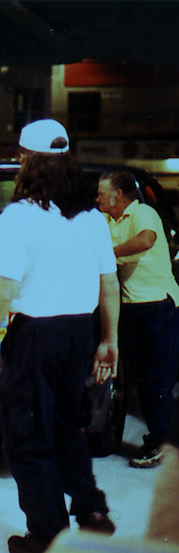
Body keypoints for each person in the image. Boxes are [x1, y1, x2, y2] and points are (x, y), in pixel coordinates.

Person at [0, 119, 120, 553]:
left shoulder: (20, 215)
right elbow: (109, 283)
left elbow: (4, 287)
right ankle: (92, 512)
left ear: (27, 160)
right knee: (64, 426)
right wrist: (109, 338)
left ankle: (47, 535)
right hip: (80, 331)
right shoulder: (92, 217)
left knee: (26, 434)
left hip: (37, 335)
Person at [97, 171, 179, 468]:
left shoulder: (144, 213)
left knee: (157, 377)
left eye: (101, 193)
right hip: (130, 307)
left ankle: (157, 441)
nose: (97, 198)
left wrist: (108, 253)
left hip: (158, 305)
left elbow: (146, 241)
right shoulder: (105, 221)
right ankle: (156, 436)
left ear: (117, 195)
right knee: (141, 378)